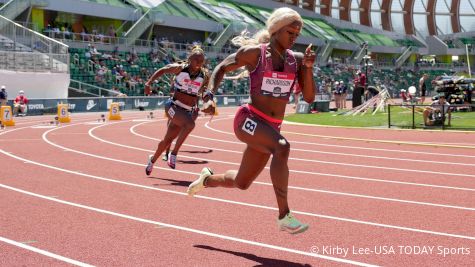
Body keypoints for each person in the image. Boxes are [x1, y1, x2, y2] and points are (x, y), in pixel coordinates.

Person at [187, 7, 316, 234]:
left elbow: (309, 97)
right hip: (248, 120)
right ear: (276, 30)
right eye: (290, 33)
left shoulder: (296, 61)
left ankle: (207, 180)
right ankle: (284, 215)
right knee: (282, 147)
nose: (294, 38)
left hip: (270, 128)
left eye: (297, 35)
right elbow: (221, 67)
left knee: (242, 183)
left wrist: (308, 68)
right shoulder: (256, 53)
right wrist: (208, 96)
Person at [144, 46, 210, 173]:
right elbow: (163, 70)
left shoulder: (204, 75)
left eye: (201, 61)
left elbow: (204, 94)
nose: (199, 63)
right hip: (172, 106)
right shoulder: (180, 68)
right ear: (190, 58)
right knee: (190, 125)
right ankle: (173, 154)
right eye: (196, 59)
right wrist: (148, 83)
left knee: (167, 140)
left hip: (186, 111)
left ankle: (152, 160)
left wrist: (208, 101)